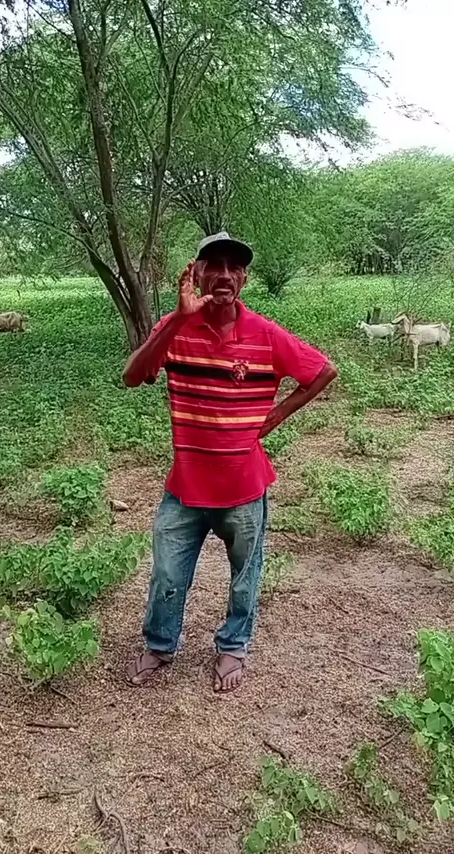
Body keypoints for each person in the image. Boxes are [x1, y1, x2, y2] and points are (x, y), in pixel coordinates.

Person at [122, 232, 337, 693]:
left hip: (244, 489)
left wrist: (277, 414)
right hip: (185, 488)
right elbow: (134, 375)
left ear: (243, 278)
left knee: (244, 576)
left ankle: (233, 646)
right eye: (213, 265)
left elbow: (323, 370)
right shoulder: (175, 327)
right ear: (196, 274)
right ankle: (159, 644)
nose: (224, 275)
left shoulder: (265, 334)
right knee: (167, 572)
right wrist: (177, 322)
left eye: (233, 267)